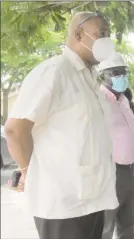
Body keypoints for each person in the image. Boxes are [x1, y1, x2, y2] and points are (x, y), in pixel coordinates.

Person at [4, 11, 117, 239]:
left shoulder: (90, 79)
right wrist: (27, 172)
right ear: (79, 34)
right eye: (101, 34)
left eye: (108, 34)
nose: (107, 40)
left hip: (92, 200)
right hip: (63, 206)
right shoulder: (53, 72)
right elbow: (15, 129)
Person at [97, 53, 134, 239]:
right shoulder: (98, 100)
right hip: (111, 172)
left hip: (133, 170)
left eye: (124, 73)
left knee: (128, 224)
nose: (122, 77)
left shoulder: (125, 100)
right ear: (102, 76)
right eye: (115, 73)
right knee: (106, 226)